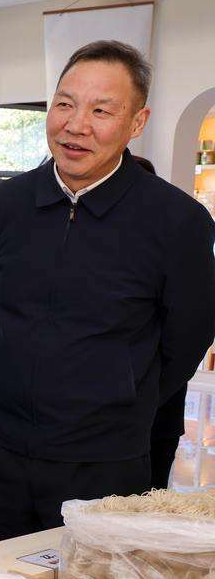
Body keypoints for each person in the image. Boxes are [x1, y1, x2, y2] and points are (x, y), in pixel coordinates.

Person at [0, 41, 215, 545]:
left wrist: (119, 394)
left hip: (104, 463)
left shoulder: (177, 220)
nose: (76, 125)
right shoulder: (8, 203)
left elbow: (185, 340)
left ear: (137, 123)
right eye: (65, 104)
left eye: (101, 111)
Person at [132, 155, 192, 491]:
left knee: (150, 495)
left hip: (157, 408)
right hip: (142, 411)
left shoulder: (176, 234)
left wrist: (151, 391)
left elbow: (187, 334)